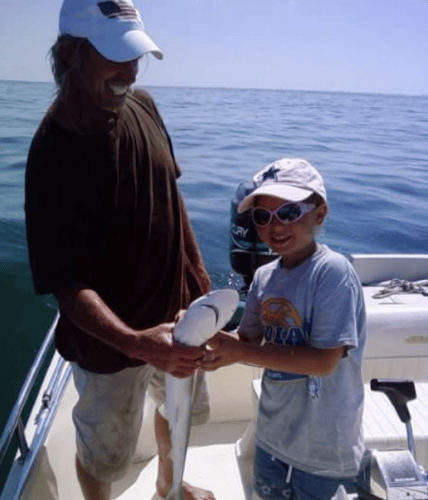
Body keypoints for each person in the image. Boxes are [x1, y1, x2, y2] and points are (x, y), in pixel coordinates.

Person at [24, 1, 215, 499]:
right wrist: (137, 343)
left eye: (135, 56)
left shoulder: (145, 105)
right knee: (103, 457)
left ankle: (170, 484)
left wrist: (198, 276)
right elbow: (66, 287)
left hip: (179, 318)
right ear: (69, 55)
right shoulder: (51, 155)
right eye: (114, 56)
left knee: (179, 412)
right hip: (111, 348)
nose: (128, 71)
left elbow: (172, 194)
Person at [202, 158, 366, 500]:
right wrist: (207, 340)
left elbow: (324, 362)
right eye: (262, 217)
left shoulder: (332, 272)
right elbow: (246, 340)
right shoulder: (263, 276)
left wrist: (239, 352)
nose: (274, 225)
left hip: (325, 448)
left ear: (319, 214)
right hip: (272, 435)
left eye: (289, 212)